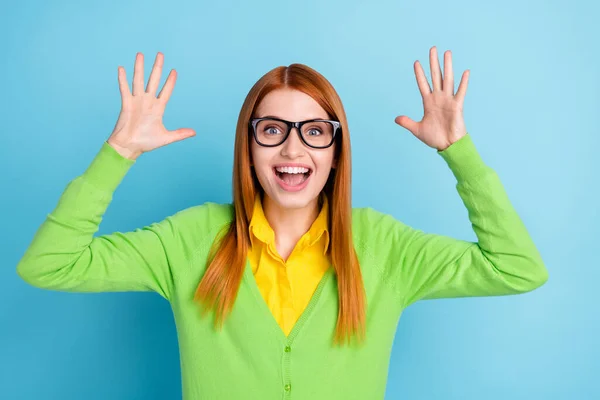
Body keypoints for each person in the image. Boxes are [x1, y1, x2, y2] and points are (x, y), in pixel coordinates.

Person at [16, 47, 549, 399]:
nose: (293, 148)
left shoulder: (383, 247)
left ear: (336, 151)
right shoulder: (191, 239)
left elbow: (518, 269)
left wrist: (460, 153)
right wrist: (119, 152)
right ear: (248, 147)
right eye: (272, 129)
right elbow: (49, 265)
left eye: (315, 130)